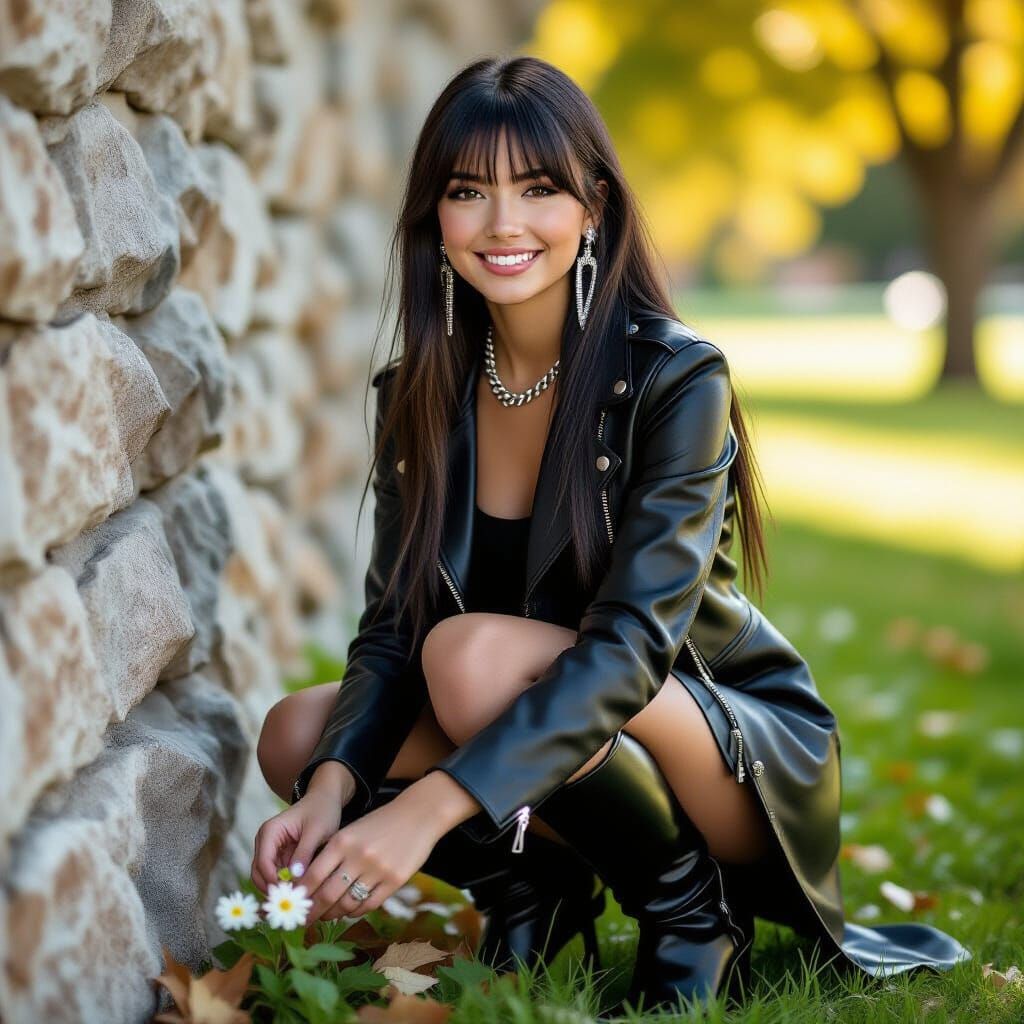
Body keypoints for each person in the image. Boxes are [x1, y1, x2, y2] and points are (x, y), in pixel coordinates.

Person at [251, 55, 971, 1015]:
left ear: (593, 205)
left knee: (467, 661)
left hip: (721, 743)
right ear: (434, 219)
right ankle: (535, 895)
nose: (504, 224)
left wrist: (428, 809)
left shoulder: (676, 378)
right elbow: (393, 626)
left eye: (537, 188)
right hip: (545, 725)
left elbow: (633, 648)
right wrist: (331, 791)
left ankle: (690, 911)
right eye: (469, 192)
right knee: (300, 735)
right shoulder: (416, 395)